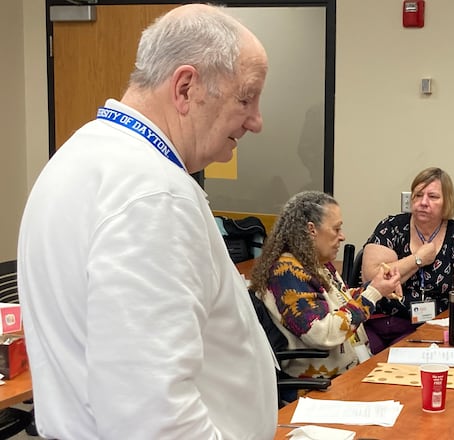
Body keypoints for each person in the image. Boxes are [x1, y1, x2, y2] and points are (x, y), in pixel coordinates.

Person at [17, 4, 278, 439]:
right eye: (246, 98)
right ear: (186, 87)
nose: (257, 121)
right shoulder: (153, 194)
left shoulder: (80, 157)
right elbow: (154, 420)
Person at [249, 191, 402, 390]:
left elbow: (338, 303)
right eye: (336, 229)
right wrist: (371, 294)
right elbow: (322, 333)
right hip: (325, 385)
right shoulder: (287, 272)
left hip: (351, 370)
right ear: (311, 229)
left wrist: (374, 288)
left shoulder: (316, 263)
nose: (342, 236)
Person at [362, 167, 454, 353]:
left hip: (428, 326)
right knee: (360, 365)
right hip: (379, 319)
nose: (423, 202)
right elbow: (372, 278)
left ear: (447, 202)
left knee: (404, 361)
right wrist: (418, 259)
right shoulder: (391, 227)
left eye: (433, 197)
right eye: (418, 195)